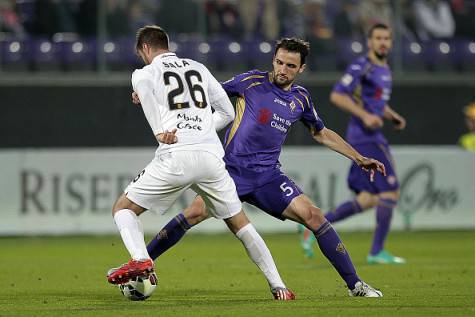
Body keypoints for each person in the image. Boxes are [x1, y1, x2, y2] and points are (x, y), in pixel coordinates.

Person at [142, 37, 386, 297]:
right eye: (279, 62)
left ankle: (355, 286)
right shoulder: (250, 82)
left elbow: (322, 133)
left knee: (314, 216)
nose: (282, 69)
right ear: (274, 59)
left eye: (290, 66)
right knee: (192, 215)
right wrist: (150, 94)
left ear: (301, 68)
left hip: (268, 176)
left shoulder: (301, 99)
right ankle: (142, 261)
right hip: (230, 172)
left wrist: (358, 157)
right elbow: (199, 94)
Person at [107, 25, 295, 301]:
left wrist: (160, 131)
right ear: (166, 44)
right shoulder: (198, 67)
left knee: (123, 208)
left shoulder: (144, 73)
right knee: (240, 224)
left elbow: (146, 93)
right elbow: (227, 112)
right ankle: (280, 287)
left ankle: (141, 259)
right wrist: (203, 129)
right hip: (211, 158)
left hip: (176, 155)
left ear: (145, 49)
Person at [299, 23, 407, 265]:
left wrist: (391, 115)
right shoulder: (363, 66)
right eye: (378, 38)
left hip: (375, 135)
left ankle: (314, 225)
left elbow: (376, 101)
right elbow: (337, 95)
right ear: (369, 42)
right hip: (365, 137)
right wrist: (364, 115)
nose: (382, 42)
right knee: (390, 191)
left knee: (368, 199)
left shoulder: (384, 68)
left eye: (386, 38)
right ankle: (377, 251)